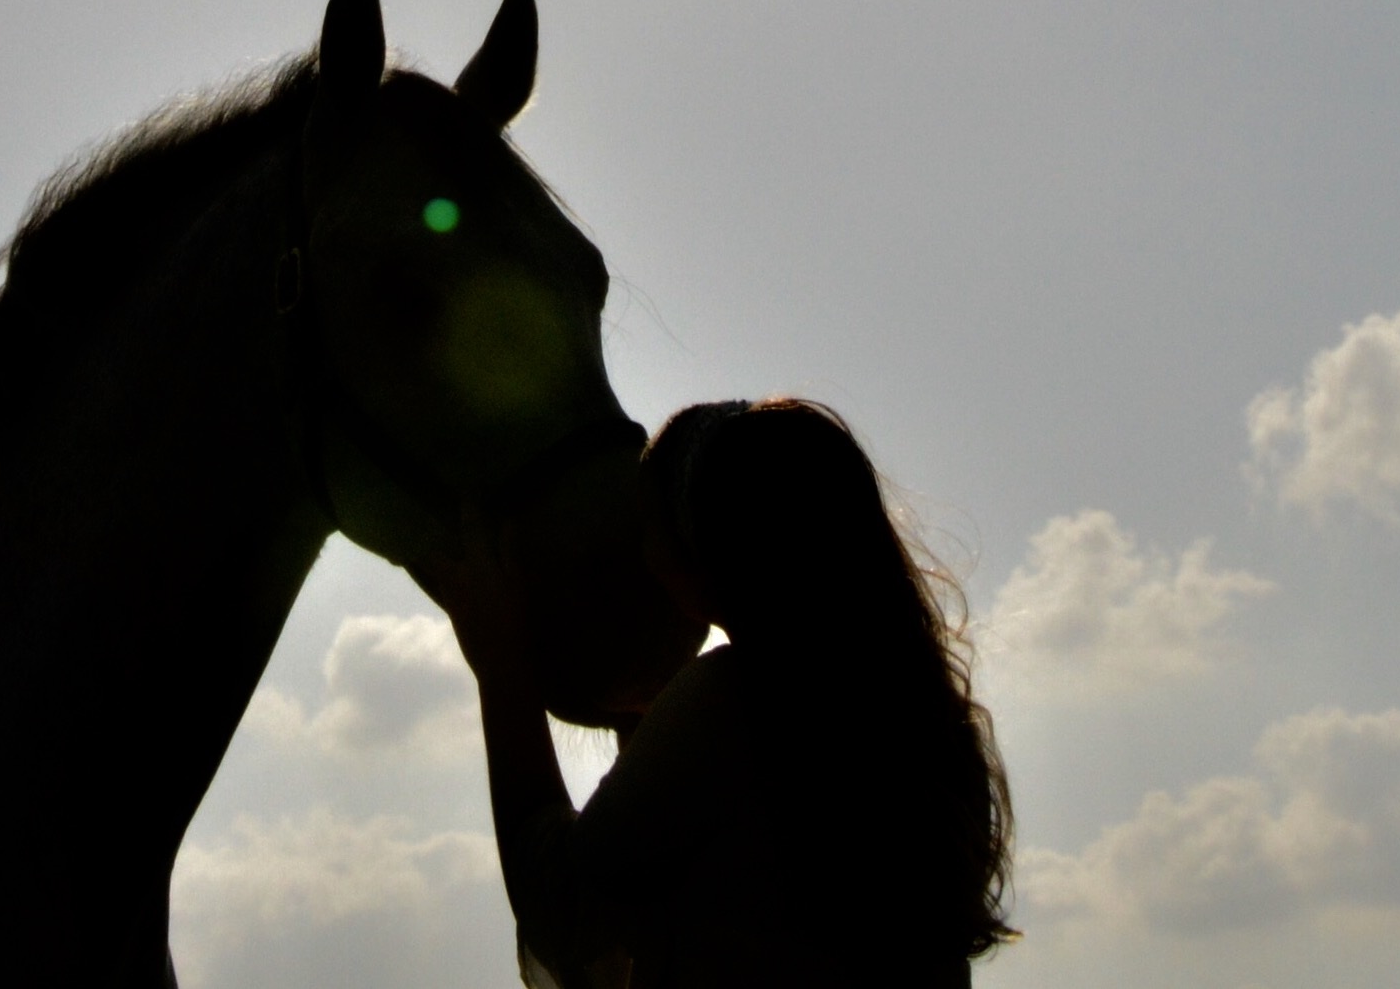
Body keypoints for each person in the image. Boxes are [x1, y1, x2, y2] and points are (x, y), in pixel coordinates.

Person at [415, 399, 1016, 987]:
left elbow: (563, 906)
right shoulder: (929, 723)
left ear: (696, 550)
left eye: (645, 528)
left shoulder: (730, 701)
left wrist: (501, 669)